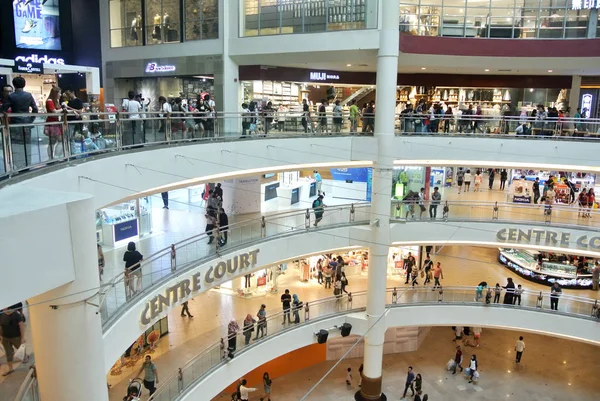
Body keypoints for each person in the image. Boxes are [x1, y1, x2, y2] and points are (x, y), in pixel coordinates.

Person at [0, 76, 38, 169]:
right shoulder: (28, 95)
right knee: (27, 145)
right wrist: (30, 120)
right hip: (27, 124)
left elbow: (3, 110)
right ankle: (27, 164)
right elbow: (35, 109)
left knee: (16, 146)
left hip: (15, 124)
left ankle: (18, 165)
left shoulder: (11, 96)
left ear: (14, 84)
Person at [0, 307, 28, 376]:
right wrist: (0, 336)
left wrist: (22, 337)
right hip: (5, 338)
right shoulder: (1, 315)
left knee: (20, 348)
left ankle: (25, 356)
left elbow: (22, 326)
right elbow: (0, 326)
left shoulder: (16, 315)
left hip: (16, 337)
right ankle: (10, 368)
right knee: (8, 352)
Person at [44, 85, 64, 159]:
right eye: (59, 93)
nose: (60, 94)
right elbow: (54, 111)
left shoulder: (55, 101)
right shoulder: (50, 101)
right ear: (55, 93)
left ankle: (52, 157)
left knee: (53, 141)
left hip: (55, 122)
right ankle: (55, 156)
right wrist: (63, 109)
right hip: (52, 122)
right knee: (58, 140)